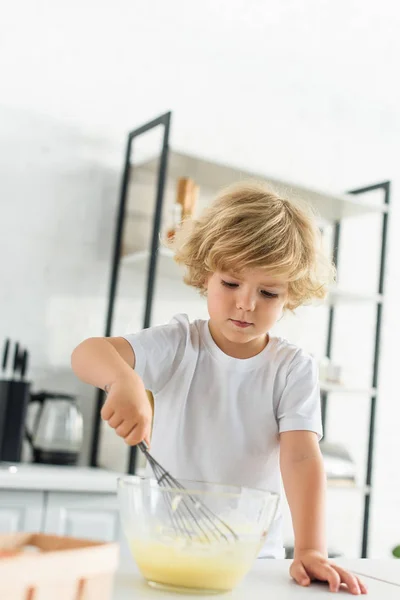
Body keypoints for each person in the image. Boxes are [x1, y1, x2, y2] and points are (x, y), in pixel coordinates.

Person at [71, 182, 367, 595]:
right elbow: (89, 352)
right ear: (204, 275)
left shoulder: (292, 367)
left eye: (268, 292)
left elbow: (300, 459)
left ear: (292, 295)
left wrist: (311, 549)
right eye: (231, 284)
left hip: (251, 559)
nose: (246, 303)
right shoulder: (178, 345)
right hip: (167, 549)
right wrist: (124, 379)